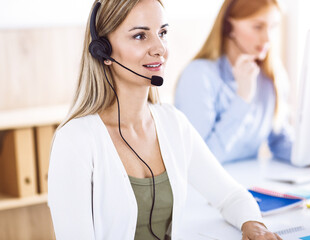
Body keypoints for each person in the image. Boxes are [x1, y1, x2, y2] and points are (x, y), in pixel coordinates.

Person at [48, 0, 282, 239]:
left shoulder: (173, 124)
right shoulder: (76, 140)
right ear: (103, 51)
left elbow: (231, 196)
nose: (160, 48)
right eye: (140, 36)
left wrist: (255, 226)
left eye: (163, 33)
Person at [175, 0, 293, 164]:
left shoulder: (269, 76)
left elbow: (279, 139)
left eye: (273, 27)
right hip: (209, 187)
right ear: (228, 27)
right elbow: (200, 160)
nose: (268, 38)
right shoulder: (198, 75)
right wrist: (242, 98)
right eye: (258, 27)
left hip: (250, 183)